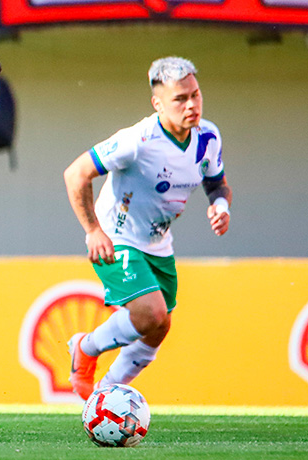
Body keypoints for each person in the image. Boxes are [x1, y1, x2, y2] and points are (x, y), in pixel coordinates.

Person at [62, 56, 232, 400]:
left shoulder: (208, 136)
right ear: (158, 103)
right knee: (150, 312)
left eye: (195, 95)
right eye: (180, 99)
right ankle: (86, 347)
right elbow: (75, 173)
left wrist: (220, 204)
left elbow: (217, 183)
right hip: (117, 237)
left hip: (158, 243)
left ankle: (107, 394)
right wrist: (93, 230)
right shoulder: (136, 141)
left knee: (160, 326)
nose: (191, 105)